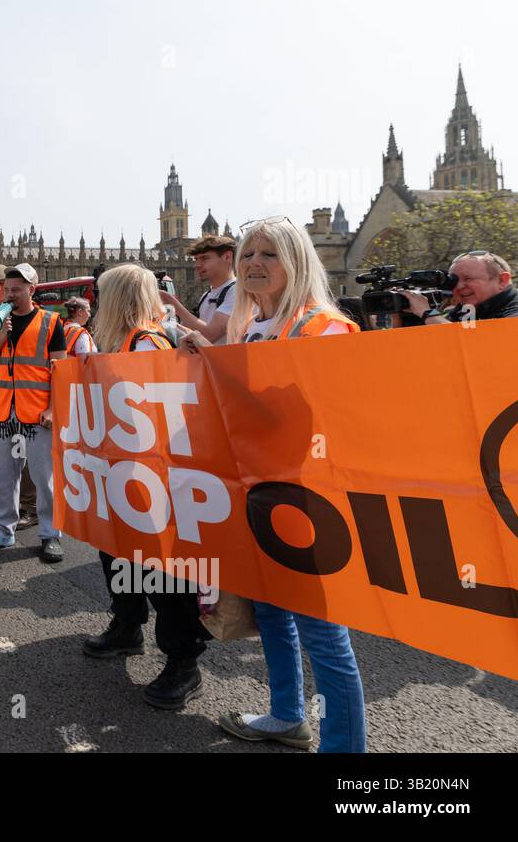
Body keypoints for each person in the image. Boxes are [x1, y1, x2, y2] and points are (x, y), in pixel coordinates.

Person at [182, 217, 364, 752]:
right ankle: (287, 714)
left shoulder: (323, 327)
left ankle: (345, 751)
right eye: (249, 254)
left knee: (324, 636)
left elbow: (323, 415)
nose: (255, 263)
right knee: (270, 611)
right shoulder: (251, 328)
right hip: (255, 492)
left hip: (308, 498)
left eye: (271, 254)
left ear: (297, 263)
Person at [80, 263, 210, 710]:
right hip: (123, 471)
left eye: (102, 295)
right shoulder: (123, 341)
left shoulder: (147, 341)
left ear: (118, 298)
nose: (96, 304)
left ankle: (183, 660)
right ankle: (127, 625)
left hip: (151, 476)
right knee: (116, 549)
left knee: (161, 569)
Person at [0, 263, 67, 563]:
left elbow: (61, 372)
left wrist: (53, 408)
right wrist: (0, 335)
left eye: (16, 289)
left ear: (31, 290)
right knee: (3, 477)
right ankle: (2, 530)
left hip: (37, 414)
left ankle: (51, 534)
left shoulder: (52, 323)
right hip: (4, 412)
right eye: (8, 289)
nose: (10, 294)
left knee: (44, 478)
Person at [400, 250, 518, 323]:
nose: (459, 286)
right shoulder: (463, 313)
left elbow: (478, 346)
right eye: (453, 281)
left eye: (468, 279)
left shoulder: (515, 310)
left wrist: (428, 314)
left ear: (502, 280)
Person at [159, 234, 237, 344]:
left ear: (227, 257)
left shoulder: (237, 291)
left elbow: (209, 335)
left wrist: (172, 302)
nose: (197, 265)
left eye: (204, 258)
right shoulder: (206, 295)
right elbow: (191, 332)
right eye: (196, 259)